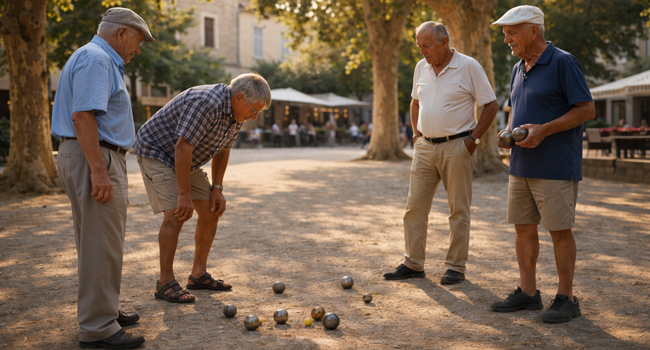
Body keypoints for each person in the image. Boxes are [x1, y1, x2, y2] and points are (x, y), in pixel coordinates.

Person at [50, 7, 153, 349]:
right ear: (121, 33)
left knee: (98, 242)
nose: (138, 49)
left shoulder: (96, 57)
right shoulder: (97, 59)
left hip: (91, 155)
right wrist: (98, 169)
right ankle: (98, 327)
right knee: (100, 243)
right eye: (137, 41)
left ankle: (103, 309)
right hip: (95, 156)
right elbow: (82, 116)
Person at [491, 6, 595, 323]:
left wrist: (544, 130)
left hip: (555, 165)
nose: (506, 39)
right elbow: (514, 109)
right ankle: (528, 292)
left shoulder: (563, 61)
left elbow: (587, 109)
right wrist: (508, 131)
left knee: (559, 231)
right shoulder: (517, 67)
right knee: (523, 229)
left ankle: (567, 298)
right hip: (520, 164)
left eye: (512, 32)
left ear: (533, 30)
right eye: (505, 33)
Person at [134, 73, 271, 304]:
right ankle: (164, 282)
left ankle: (198, 275)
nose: (254, 117)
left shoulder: (238, 115)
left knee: (210, 211)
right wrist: (184, 194)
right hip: (158, 152)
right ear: (239, 98)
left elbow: (223, 150)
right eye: (254, 110)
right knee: (177, 213)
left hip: (187, 157)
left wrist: (217, 188)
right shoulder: (206, 103)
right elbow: (182, 147)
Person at [383, 21, 498, 285]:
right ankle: (413, 263)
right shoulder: (420, 68)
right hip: (425, 147)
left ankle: (456, 266)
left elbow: (490, 104)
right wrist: (416, 135)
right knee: (414, 208)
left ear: (443, 42)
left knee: (458, 209)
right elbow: (415, 103)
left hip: (458, 146)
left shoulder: (469, 66)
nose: (422, 51)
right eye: (418, 46)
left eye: (426, 46)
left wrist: (473, 140)